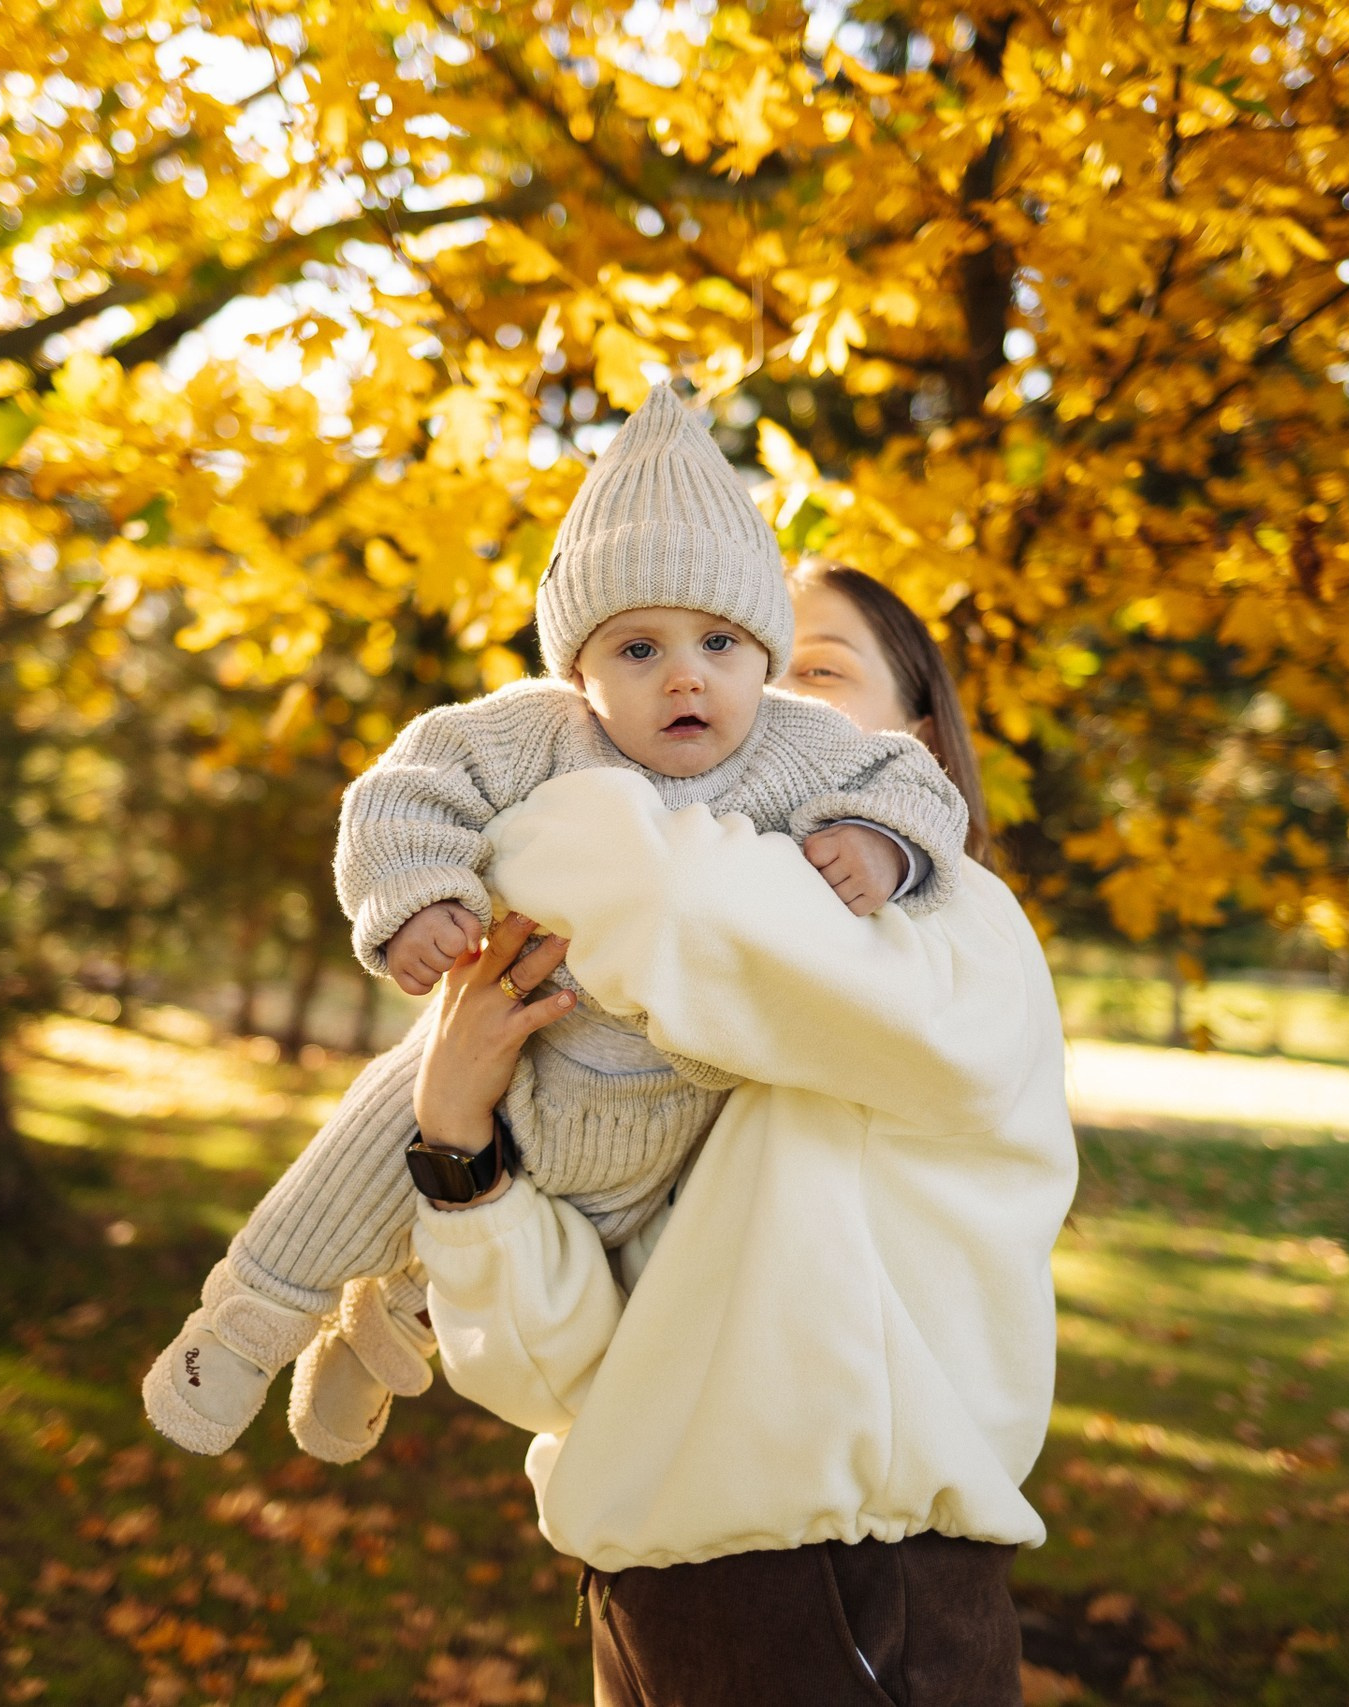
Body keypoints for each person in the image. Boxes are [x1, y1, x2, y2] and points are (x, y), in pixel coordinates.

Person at [143, 389, 974, 1465]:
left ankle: (389, 1324)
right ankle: (245, 1327)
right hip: (530, 1048)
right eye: (637, 648)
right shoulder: (534, 732)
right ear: (574, 666)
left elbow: (917, 786)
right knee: (368, 1147)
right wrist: (421, 901)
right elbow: (400, 794)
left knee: (597, 1278)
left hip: (686, 1114)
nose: (686, 674)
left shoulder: (799, 744)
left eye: (721, 641)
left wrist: (879, 844)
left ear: (762, 657)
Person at [409, 568, 1076, 1704]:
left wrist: (499, 805)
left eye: (799, 667)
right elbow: (553, 1374)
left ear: (914, 744)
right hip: (646, 1602)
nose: (730, 695)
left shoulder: (958, 930)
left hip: (852, 1596)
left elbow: (648, 888)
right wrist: (457, 1136)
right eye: (648, 654)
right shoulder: (641, 1037)